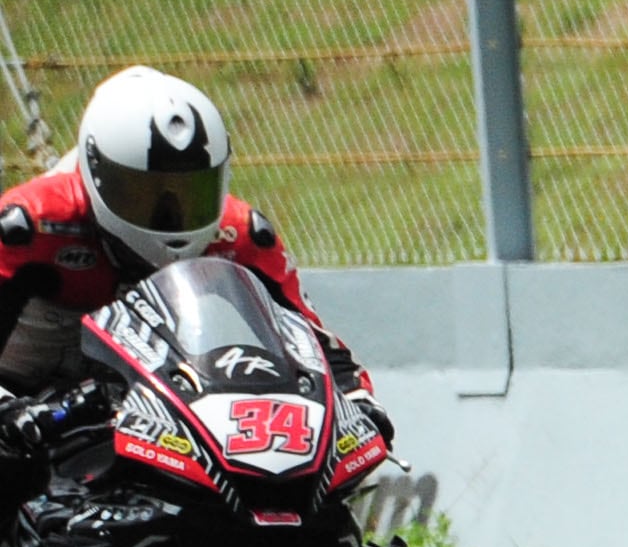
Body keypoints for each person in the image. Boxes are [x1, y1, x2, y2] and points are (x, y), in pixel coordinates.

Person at [0, 69, 382, 445]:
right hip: (22, 405)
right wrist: (8, 410)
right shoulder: (30, 225)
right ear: (96, 173)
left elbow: (313, 342)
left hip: (149, 415)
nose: (172, 216)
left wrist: (358, 400)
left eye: (192, 193)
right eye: (142, 194)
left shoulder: (240, 232)